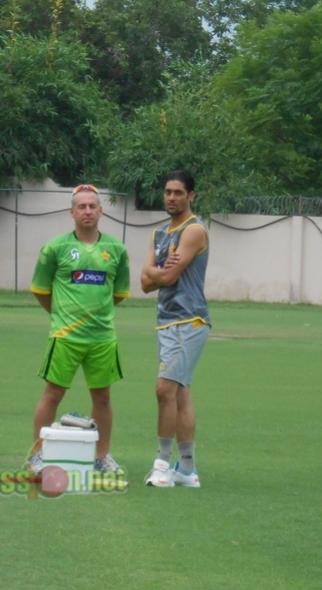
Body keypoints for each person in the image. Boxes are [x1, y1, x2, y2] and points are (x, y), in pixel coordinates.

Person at [27, 184, 130, 475]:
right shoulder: (55, 248)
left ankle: (102, 456)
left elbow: (118, 294)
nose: (87, 211)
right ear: (71, 212)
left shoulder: (116, 249)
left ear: (101, 210)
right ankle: (37, 454)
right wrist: (61, 315)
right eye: (81, 206)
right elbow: (40, 290)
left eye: (92, 206)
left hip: (102, 338)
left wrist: (96, 315)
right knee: (52, 395)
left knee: (103, 398)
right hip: (65, 337)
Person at [141, 170, 210, 488]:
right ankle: (187, 470)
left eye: (178, 192)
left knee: (164, 390)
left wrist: (155, 272)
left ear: (191, 195)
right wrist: (157, 271)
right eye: (167, 191)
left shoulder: (194, 230)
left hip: (188, 320)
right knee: (180, 393)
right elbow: (143, 283)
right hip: (167, 320)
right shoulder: (159, 234)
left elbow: (165, 278)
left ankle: (161, 465)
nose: (171, 197)